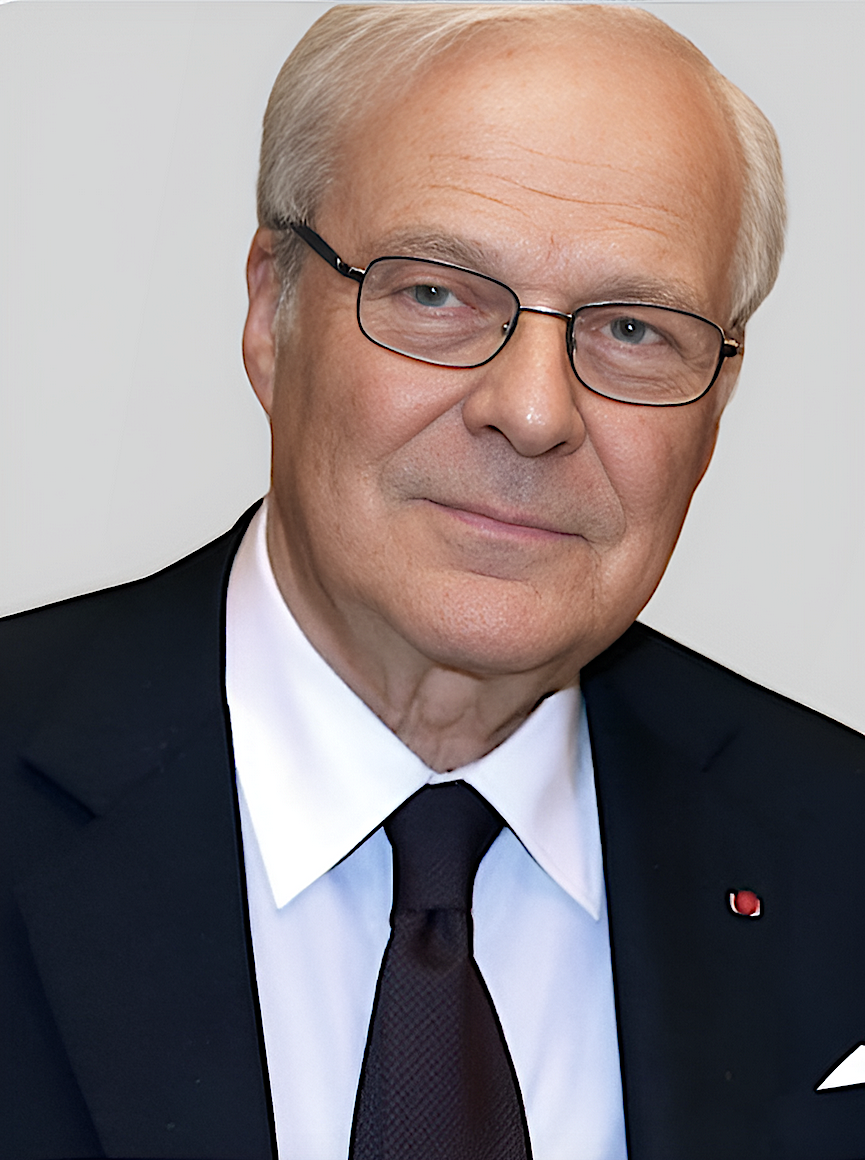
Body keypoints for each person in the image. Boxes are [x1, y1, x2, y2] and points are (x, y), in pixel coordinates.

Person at [3, 5, 865, 1160]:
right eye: (436, 294)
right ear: (271, 314)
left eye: (630, 327)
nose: (534, 410)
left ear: (715, 407)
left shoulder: (838, 851)